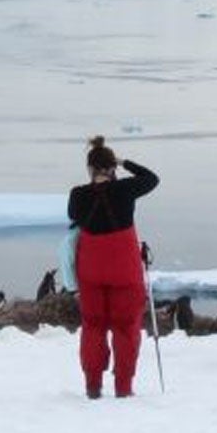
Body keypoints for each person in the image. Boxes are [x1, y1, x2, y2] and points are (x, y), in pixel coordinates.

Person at [66, 136, 159, 399]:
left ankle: (93, 385)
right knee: (126, 325)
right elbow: (152, 178)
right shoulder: (126, 189)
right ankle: (123, 387)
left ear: (89, 168)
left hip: (91, 267)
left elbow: (74, 216)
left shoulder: (78, 194)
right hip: (124, 267)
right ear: (112, 168)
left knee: (93, 325)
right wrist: (123, 162)